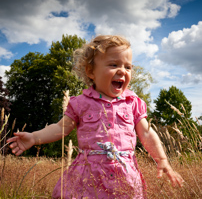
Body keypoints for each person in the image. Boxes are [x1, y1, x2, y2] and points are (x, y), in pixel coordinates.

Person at [7, 35, 184, 199]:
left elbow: (146, 134)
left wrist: (162, 159)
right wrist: (34, 137)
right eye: (114, 65)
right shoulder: (80, 103)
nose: (122, 70)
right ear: (91, 72)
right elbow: (60, 127)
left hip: (125, 175)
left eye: (127, 66)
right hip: (88, 175)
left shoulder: (133, 103)